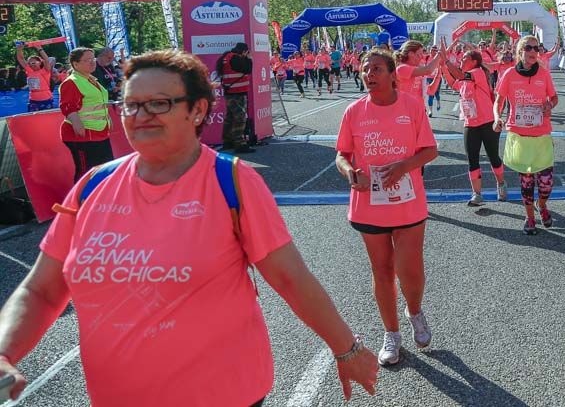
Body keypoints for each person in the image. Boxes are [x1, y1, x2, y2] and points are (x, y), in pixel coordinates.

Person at [0, 49, 379, 406]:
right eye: (131, 105)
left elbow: (290, 278)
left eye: (160, 103)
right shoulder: (92, 186)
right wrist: (4, 352)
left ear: (197, 110)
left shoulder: (230, 180)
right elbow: (41, 290)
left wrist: (346, 348)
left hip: (222, 394)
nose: (141, 114)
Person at [335, 50, 438, 367]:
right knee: (381, 271)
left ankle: (415, 310)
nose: (369, 73)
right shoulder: (354, 112)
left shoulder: (411, 106)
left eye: (377, 68)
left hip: (407, 203)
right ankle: (391, 334)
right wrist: (351, 173)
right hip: (369, 205)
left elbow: (430, 150)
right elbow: (341, 155)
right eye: (366, 69)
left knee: (410, 268)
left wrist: (404, 165)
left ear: (393, 74)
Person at [494, 36, 558, 235]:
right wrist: (497, 117)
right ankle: (529, 218)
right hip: (519, 134)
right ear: (520, 51)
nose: (533, 51)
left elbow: (554, 98)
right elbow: (499, 101)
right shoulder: (509, 74)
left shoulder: (544, 74)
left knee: (546, 183)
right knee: (527, 181)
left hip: (541, 134)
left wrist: (549, 105)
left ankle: (542, 204)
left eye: (536, 48)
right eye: (529, 48)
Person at [442, 49, 506, 205]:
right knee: (472, 160)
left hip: (487, 121)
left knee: (493, 157)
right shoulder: (463, 79)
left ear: (474, 61)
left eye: (465, 58)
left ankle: (501, 184)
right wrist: (442, 65)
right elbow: (452, 82)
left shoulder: (477, 72)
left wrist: (447, 61)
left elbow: (458, 75)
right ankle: (477, 194)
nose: (461, 60)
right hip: (470, 123)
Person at [59, 48, 114, 182]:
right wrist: (78, 126)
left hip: (99, 132)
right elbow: (68, 106)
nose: (92, 62)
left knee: (105, 169)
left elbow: (99, 103)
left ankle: (100, 199)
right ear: (75, 64)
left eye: (93, 58)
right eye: (87, 60)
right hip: (83, 135)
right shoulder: (71, 82)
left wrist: (108, 120)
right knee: (86, 173)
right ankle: (81, 201)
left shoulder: (91, 79)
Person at [216, 42, 254, 154]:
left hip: (230, 91)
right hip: (237, 92)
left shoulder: (226, 57)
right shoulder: (236, 59)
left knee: (230, 117)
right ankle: (240, 144)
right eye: (246, 52)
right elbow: (247, 69)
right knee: (240, 117)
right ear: (243, 51)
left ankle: (228, 141)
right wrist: (249, 59)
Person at [15, 42, 53, 112]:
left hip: (46, 99)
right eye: (29, 63)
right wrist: (19, 50)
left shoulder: (45, 71)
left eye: (33, 63)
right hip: (33, 100)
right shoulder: (29, 71)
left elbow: (47, 60)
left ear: (40, 62)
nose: (31, 65)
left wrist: (40, 49)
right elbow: (21, 59)